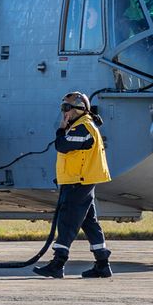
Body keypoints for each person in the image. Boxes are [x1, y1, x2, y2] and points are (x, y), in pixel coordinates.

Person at [33, 91, 114, 279]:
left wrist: (61, 129)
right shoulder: (81, 126)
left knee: (67, 221)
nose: (64, 112)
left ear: (79, 109)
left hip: (78, 181)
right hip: (79, 180)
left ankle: (57, 263)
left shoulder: (83, 127)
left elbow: (62, 145)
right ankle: (102, 263)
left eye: (66, 108)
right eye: (63, 108)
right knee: (89, 222)